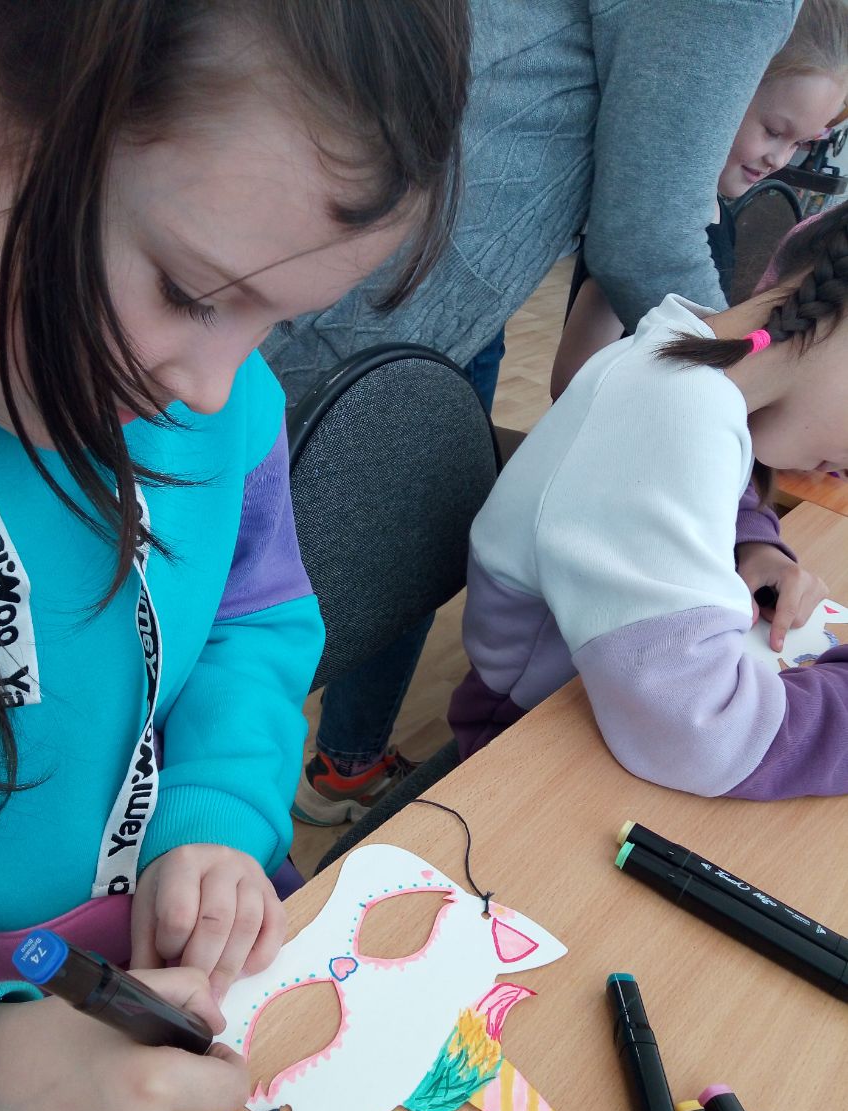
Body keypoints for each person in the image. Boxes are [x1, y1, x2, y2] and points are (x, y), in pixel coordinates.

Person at [0, 0, 468, 1111]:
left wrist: (213, 813)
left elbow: (251, 618)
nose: (213, 390)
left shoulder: (215, 398)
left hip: (141, 1019)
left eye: (275, 321)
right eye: (188, 289)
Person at [269, 0, 805, 827]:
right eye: (775, 127)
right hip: (369, 308)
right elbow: (641, 247)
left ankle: (340, 761)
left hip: (418, 303)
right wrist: (732, 438)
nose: (778, 156)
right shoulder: (674, 381)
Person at [449, 203, 848, 799]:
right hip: (525, 744)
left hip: (588, 711)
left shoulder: (682, 355)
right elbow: (707, 736)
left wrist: (751, 542)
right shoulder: (674, 417)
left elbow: (701, 480)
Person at [551, 0, 848, 400]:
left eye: (799, 143)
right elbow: (570, 382)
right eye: (774, 131)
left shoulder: (717, 218)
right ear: (719, 99)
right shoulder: (652, 228)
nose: (779, 159)